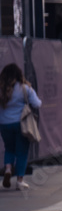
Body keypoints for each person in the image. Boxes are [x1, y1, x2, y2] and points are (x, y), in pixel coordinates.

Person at [0, 63, 42, 191]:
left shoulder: (1, 89)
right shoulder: (25, 88)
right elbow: (37, 104)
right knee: (22, 152)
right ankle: (20, 180)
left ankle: (8, 169)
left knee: (9, 148)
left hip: (4, 124)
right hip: (21, 124)